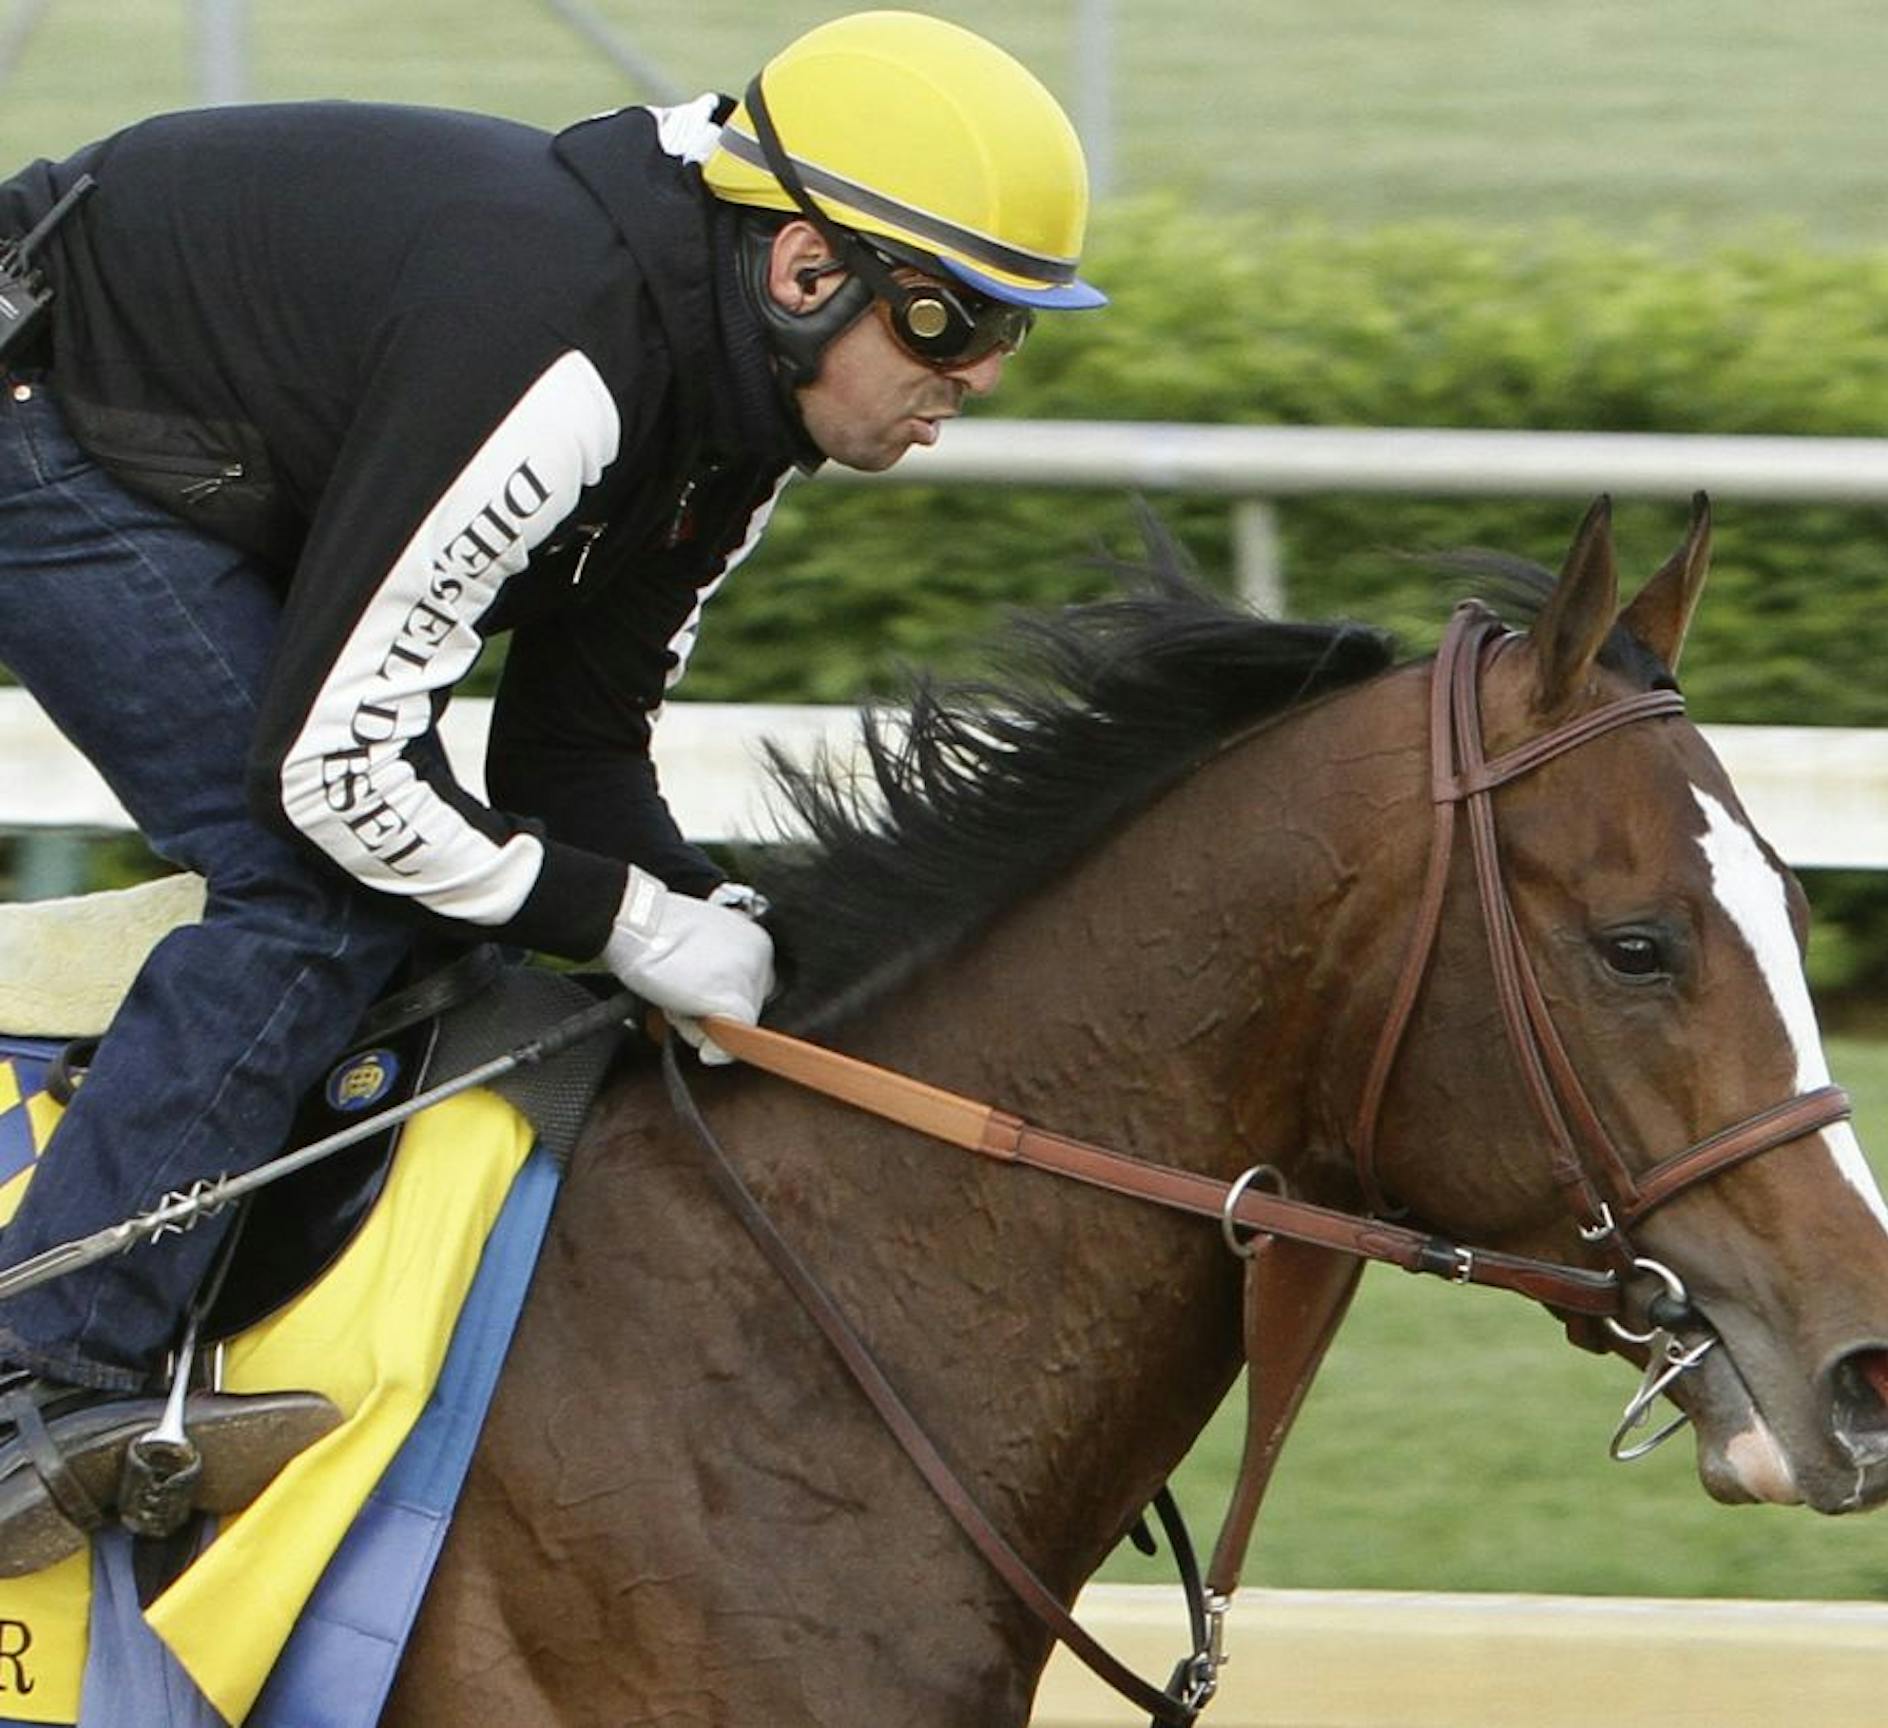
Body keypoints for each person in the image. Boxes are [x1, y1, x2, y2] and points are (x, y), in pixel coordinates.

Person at [0, 8, 1104, 1569]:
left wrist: (718, 922)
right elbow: (332, 770)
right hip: (45, 420)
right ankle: (38, 1376)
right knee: (322, 888)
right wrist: (621, 922)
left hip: (189, 425)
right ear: (805, 271)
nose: (981, 376)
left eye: (1017, 333)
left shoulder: (730, 416)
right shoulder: (573, 352)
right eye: (950, 323)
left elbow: (567, 757)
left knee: (447, 895)